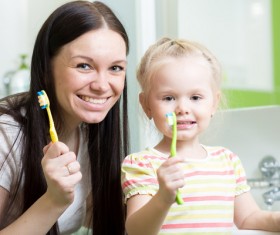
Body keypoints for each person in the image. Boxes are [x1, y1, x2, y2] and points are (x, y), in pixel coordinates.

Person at [121, 37, 280, 235]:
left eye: (195, 97)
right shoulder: (142, 164)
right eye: (169, 98)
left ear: (213, 103)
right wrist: (163, 197)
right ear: (146, 105)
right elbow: (137, 230)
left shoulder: (227, 162)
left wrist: (276, 219)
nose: (182, 108)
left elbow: (248, 218)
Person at [0, 1, 129, 235]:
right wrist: (54, 200)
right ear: (46, 68)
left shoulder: (90, 133)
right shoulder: (6, 136)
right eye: (84, 65)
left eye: (116, 68)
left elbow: (94, 215)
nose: (102, 85)